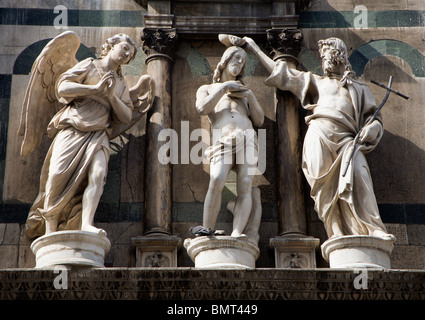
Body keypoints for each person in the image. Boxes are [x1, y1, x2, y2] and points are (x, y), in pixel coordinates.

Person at [244, 36, 393, 239]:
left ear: (339, 56)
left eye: (326, 56)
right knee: (323, 190)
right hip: (319, 135)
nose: (324, 62)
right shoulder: (316, 81)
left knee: (360, 175)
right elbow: (282, 73)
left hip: (349, 141)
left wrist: (373, 128)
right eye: (322, 58)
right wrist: (254, 48)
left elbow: (373, 118)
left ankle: (372, 227)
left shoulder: (359, 89)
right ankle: (336, 232)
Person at [26, 34, 136, 237]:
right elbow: (62, 87)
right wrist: (93, 89)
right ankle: (50, 227)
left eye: (131, 55)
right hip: (73, 129)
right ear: (111, 46)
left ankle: (86, 222)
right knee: (57, 176)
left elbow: (126, 115)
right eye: (125, 48)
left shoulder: (120, 84)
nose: (128, 55)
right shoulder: (90, 65)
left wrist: (111, 97)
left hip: (98, 134)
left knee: (98, 174)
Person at [195, 46, 264, 237]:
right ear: (225, 60)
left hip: (248, 137)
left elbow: (259, 120)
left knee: (245, 184)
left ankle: (236, 233)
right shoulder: (207, 88)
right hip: (223, 139)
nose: (240, 62)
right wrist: (224, 88)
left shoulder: (245, 92)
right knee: (216, 178)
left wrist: (249, 96)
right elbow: (202, 108)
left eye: (243, 61)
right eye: (237, 57)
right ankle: (206, 229)